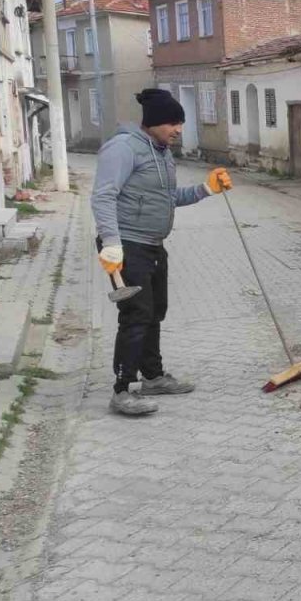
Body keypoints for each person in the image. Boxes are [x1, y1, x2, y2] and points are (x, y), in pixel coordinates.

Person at [91, 88, 233, 416]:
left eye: (180, 122)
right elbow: (103, 196)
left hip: (153, 244)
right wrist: (111, 242)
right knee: (136, 315)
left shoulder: (162, 151)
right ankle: (122, 390)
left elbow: (169, 198)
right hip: (126, 245)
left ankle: (152, 377)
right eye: (172, 122)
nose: (178, 129)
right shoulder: (124, 148)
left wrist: (206, 189)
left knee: (155, 311)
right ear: (154, 122)